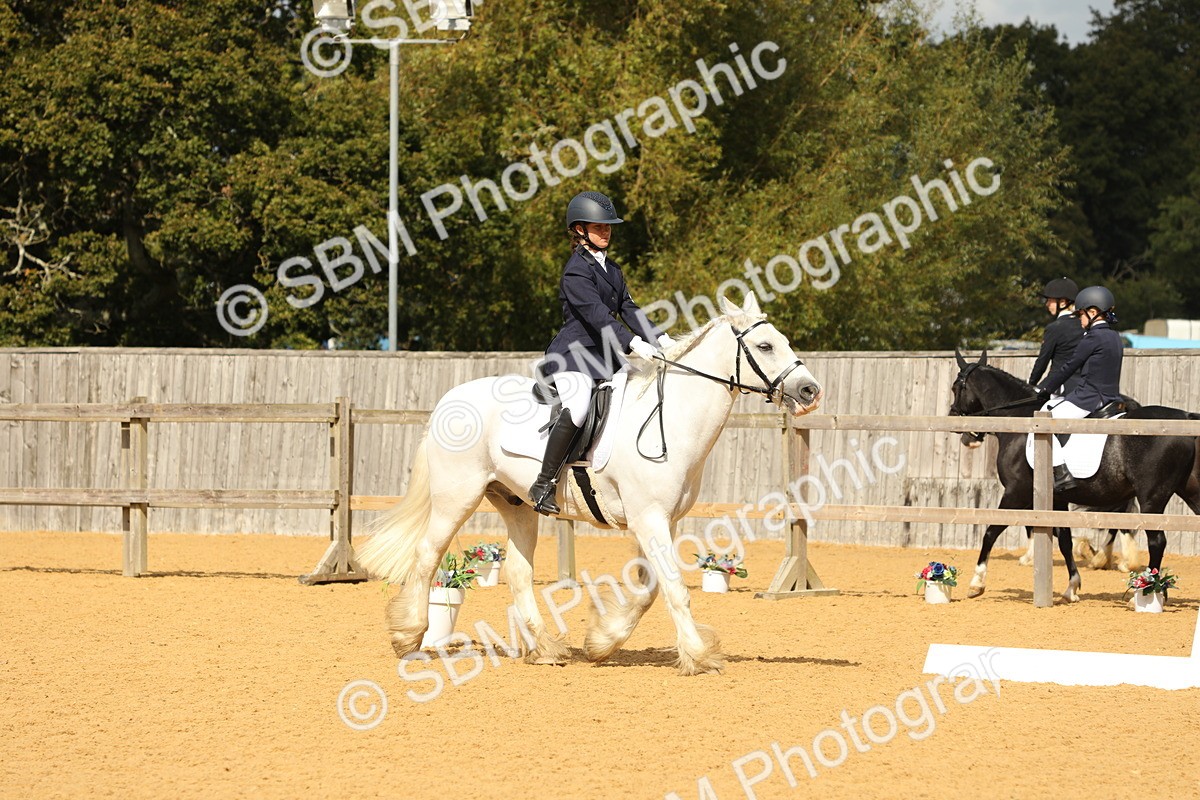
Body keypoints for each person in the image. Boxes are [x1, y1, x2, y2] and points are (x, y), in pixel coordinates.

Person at [528, 191, 674, 515]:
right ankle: (544, 484)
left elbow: (630, 310)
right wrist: (633, 343)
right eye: (598, 226)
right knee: (579, 407)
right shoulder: (575, 271)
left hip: (605, 356)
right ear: (579, 229)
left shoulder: (614, 270)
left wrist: (663, 340)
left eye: (608, 227)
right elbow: (596, 314)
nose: (606, 231)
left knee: (641, 392)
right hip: (575, 354)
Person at [1035, 286, 1123, 491]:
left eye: (1081, 315)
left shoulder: (1093, 337)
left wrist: (1045, 389)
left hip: (1089, 397)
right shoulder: (1115, 337)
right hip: (1111, 397)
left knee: (1045, 422)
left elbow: (1069, 366)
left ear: (1093, 313)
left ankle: (1061, 473)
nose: (1080, 320)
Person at [1028, 277, 1083, 399]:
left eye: (1049, 301)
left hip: (1058, 385)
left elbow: (1042, 361)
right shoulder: (1084, 324)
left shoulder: (1055, 328)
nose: (1047, 304)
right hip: (1082, 385)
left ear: (1063, 302)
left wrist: (1031, 384)